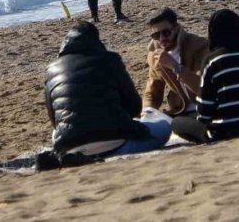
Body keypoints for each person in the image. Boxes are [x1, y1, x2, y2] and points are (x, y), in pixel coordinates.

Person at [44, 21, 170, 158]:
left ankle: (83, 152)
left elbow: (54, 120)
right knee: (165, 126)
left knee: (57, 132)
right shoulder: (111, 59)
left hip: (71, 147)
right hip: (117, 143)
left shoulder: (51, 69)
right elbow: (134, 107)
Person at [171, 9, 239, 143]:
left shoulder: (211, 61)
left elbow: (205, 107)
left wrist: (203, 121)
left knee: (177, 123)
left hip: (225, 131)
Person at [144, 7, 210, 117]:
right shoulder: (154, 54)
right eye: (156, 35)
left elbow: (204, 88)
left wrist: (175, 66)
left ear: (176, 28)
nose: (161, 39)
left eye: (166, 32)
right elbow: (153, 91)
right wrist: (147, 111)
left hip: (206, 110)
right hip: (179, 111)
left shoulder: (199, 46)